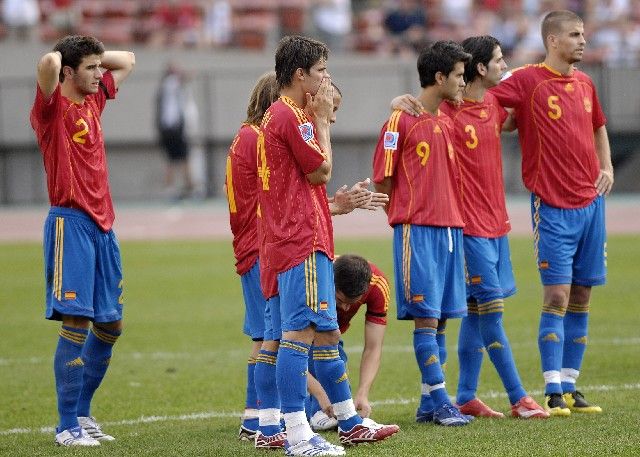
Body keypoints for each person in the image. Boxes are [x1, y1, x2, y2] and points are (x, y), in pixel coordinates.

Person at [226, 72, 389, 450]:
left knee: (281, 337)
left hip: (266, 245)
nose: (329, 116)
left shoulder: (251, 135)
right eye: (328, 107)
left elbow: (288, 197)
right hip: (277, 246)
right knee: (289, 337)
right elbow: (308, 181)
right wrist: (317, 124)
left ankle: (269, 423)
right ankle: (288, 427)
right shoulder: (271, 132)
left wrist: (336, 205)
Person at [395, 36, 549, 419]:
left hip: (498, 225)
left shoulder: (495, 103)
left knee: (475, 312)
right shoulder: (448, 111)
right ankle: (519, 398)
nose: (504, 66)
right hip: (466, 229)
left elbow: (526, 97)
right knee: (490, 310)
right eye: (498, 60)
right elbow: (420, 106)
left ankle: (464, 394)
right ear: (480, 68)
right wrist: (397, 102)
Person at [258, 35, 398, 455]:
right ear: (300, 75)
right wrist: (320, 121)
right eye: (321, 71)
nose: (325, 79)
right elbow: (320, 169)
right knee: (297, 336)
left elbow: (303, 186)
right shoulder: (292, 116)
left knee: (326, 335)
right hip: (298, 243)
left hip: (307, 238)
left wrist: (337, 206)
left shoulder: (279, 116)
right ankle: (297, 435)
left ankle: (350, 423)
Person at [490, 10, 613, 416]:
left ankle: (572, 386)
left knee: (582, 294)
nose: (582, 40)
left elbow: (598, 127)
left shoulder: (586, 83)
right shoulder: (526, 80)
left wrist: (607, 167)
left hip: (591, 205)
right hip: (553, 205)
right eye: (575, 35)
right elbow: (487, 104)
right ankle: (551, 389)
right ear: (553, 41)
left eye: (584, 34)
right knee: (557, 294)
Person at [29, 35, 135, 446]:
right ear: (69, 72)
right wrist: (64, 54)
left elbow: (126, 58)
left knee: (111, 324)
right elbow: (48, 63)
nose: (100, 74)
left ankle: (84, 414)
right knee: (76, 321)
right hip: (69, 223)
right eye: (90, 68)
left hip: (103, 226)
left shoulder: (94, 101)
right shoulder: (50, 107)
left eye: (97, 67)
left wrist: (88, 55)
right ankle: (66, 425)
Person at [372, 40, 472, 426]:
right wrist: (404, 218)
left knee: (442, 318)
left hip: (450, 230)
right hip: (419, 232)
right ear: (439, 77)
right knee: (426, 319)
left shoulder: (446, 120)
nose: (463, 83)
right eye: (459, 76)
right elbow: (383, 181)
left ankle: (429, 403)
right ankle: (443, 401)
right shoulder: (398, 122)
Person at [307, 254, 390, 431]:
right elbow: (287, 348)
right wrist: (321, 395)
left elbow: (373, 347)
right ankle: (310, 411)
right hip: (298, 327)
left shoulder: (377, 285)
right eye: (340, 301)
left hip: (329, 335)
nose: (345, 308)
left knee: (335, 359)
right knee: (318, 356)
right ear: (330, 284)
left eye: (352, 303)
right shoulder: (314, 280)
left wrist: (363, 393)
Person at [155, 62, 194, 199]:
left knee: (175, 159)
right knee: (182, 158)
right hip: (173, 128)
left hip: (169, 128)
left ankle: (176, 187)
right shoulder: (170, 84)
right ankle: (188, 187)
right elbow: (184, 77)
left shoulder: (165, 87)